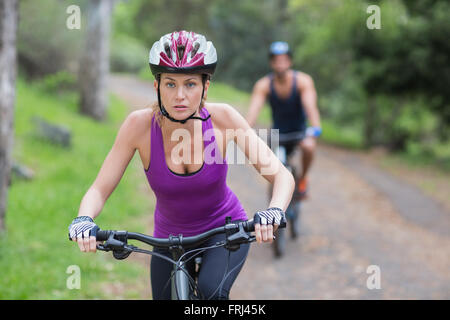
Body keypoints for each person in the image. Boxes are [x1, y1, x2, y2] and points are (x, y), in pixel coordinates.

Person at [68, 31, 294, 300]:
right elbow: (99, 189)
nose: (180, 96)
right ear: (157, 87)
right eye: (170, 84)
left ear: (205, 87)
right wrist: (84, 218)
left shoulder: (224, 119)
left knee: (211, 294)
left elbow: (281, 176)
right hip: (168, 239)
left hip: (224, 232)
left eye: (190, 84)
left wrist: (274, 211)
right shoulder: (138, 126)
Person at [246, 41, 321, 199]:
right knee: (275, 169)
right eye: (276, 60)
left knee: (309, 147)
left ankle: (303, 179)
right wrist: (245, 130)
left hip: (299, 131)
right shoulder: (264, 85)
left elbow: (310, 106)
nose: (280, 63)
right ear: (271, 63)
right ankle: (276, 202)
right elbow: (254, 111)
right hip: (277, 134)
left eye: (284, 59)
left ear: (290, 61)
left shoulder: (302, 81)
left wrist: (315, 127)